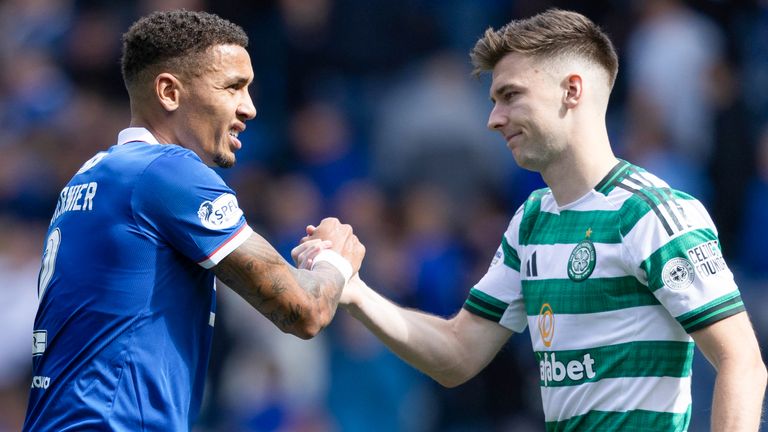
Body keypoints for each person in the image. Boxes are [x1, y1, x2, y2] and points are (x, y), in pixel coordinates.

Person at [295, 9, 767, 431]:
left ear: (572, 90)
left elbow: (742, 361)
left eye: (510, 95)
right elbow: (458, 354)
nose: (493, 119)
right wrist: (353, 290)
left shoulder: (649, 214)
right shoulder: (531, 220)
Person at [23, 10, 364, 431]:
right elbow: (303, 309)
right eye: (233, 87)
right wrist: (335, 263)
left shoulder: (90, 177)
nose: (250, 108)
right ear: (169, 91)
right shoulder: (167, 172)